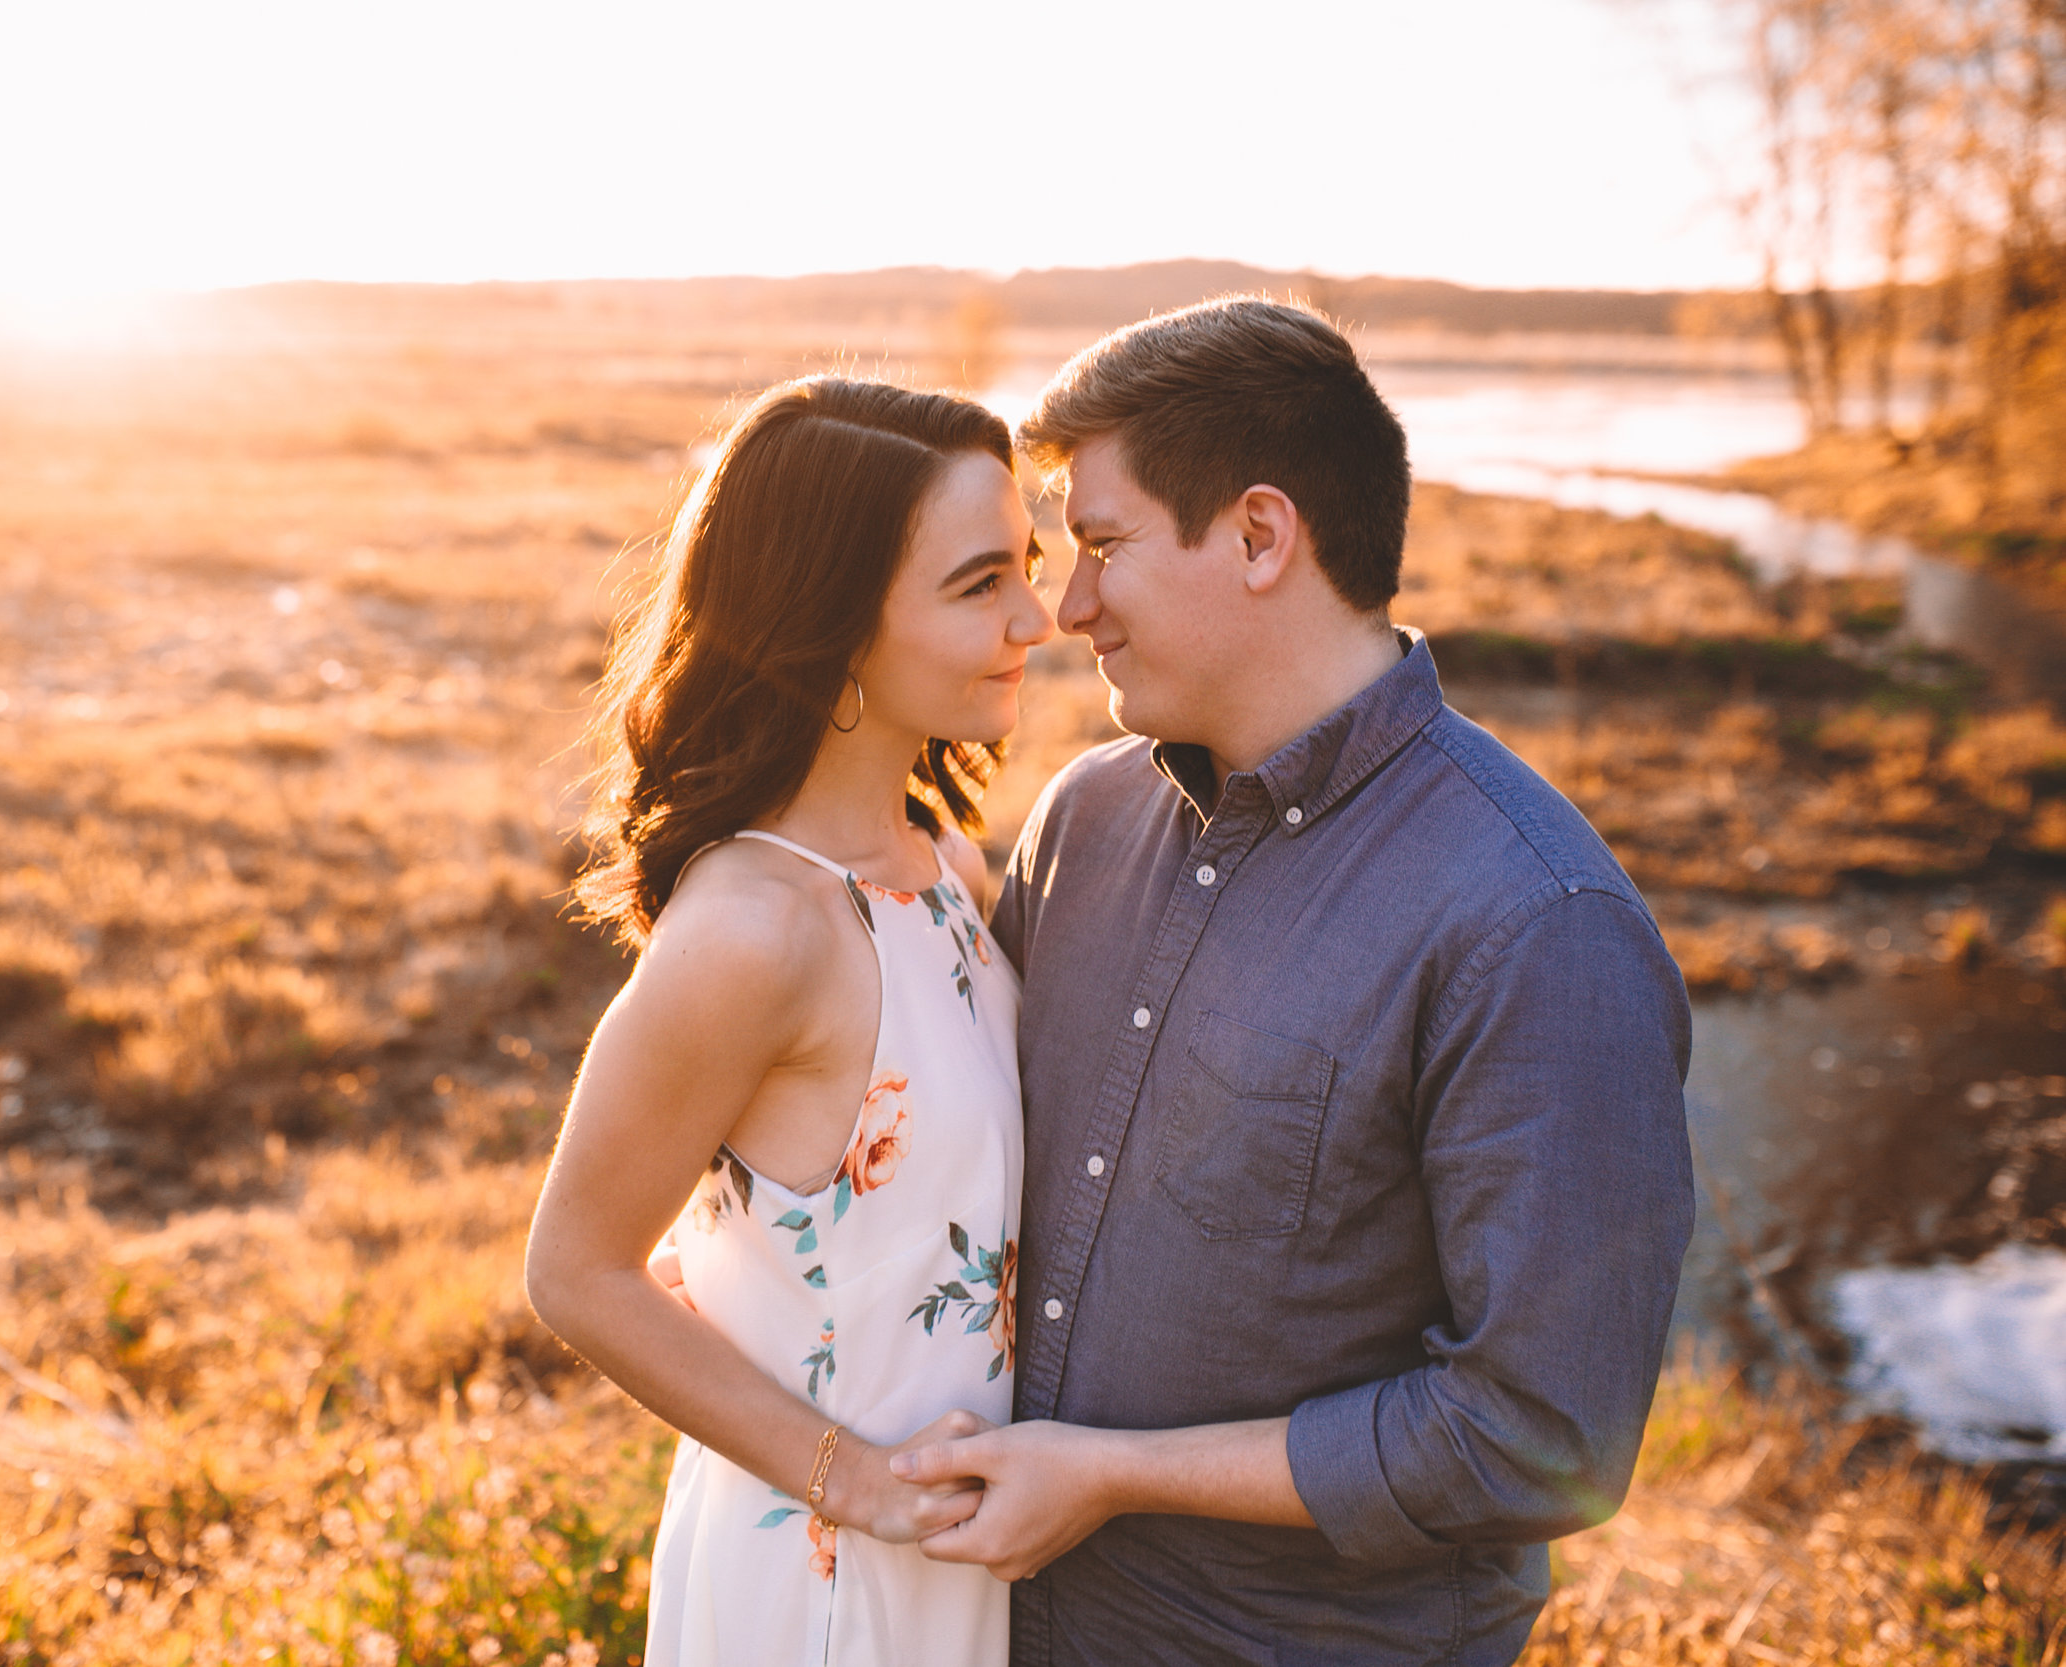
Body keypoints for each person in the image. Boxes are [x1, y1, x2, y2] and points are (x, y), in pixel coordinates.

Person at [892, 297, 1697, 1665]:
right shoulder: (1084, 821)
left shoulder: (1537, 923)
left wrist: (1112, 1472)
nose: (1068, 606)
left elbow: (1540, 1438)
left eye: (1102, 546)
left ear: (1262, 536)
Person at [524, 376, 1059, 1666]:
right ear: (831, 625)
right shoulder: (755, 930)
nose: (1037, 619)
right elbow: (576, 1267)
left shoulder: (945, 871)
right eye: (979, 583)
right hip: (826, 1583)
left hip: (963, 1562)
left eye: (1028, 568)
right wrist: (856, 1479)